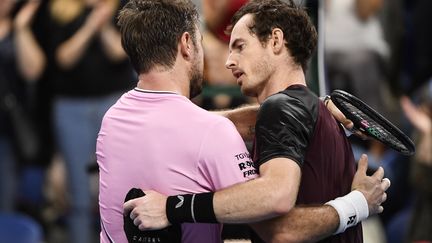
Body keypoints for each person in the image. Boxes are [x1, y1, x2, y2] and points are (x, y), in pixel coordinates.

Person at [123, 0, 391, 242]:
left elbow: (280, 225)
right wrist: (358, 204)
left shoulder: (282, 107)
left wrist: (171, 208)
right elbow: (227, 125)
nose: (229, 61)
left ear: (275, 40)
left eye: (240, 46)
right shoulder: (314, 112)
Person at [45, 0, 135, 242]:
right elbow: (64, 58)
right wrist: (91, 25)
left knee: (123, 189)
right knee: (79, 194)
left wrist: (103, 24)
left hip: (114, 102)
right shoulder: (60, 9)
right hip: (71, 107)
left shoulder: (121, 8)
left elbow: (120, 53)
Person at [0, 0, 45, 212]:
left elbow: (33, 70)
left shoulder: (19, 31)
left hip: (7, 134)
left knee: (5, 206)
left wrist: (20, 28)